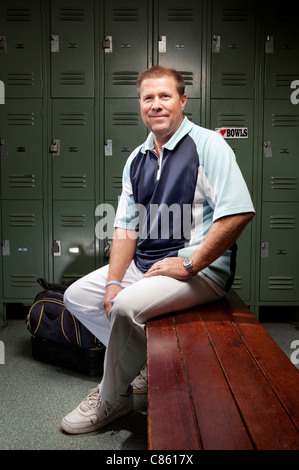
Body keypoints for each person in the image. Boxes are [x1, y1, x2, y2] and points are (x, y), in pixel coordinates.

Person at [60, 66, 255, 434]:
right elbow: (125, 227)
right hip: (148, 265)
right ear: (140, 105)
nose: (156, 105)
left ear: (182, 100)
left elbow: (238, 212)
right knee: (79, 297)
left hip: (200, 270)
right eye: (148, 98)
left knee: (126, 307)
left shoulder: (210, 145)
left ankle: (112, 398)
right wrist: (115, 280)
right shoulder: (137, 158)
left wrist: (191, 263)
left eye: (165, 96)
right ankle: (144, 365)